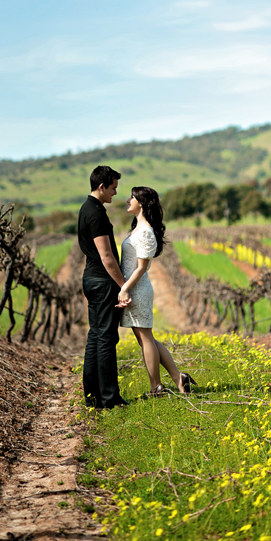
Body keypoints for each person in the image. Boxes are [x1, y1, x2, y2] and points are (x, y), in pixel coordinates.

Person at [116, 186, 197, 397]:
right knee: (146, 338)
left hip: (137, 290)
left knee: (145, 339)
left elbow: (141, 268)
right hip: (134, 289)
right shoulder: (139, 228)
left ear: (142, 203)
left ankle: (156, 387)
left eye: (132, 197)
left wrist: (125, 288)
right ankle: (179, 378)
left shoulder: (145, 231)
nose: (128, 201)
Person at [78, 165, 131, 410]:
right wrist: (123, 286)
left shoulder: (86, 208)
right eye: (113, 188)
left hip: (92, 279)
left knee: (96, 336)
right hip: (103, 282)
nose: (115, 193)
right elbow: (107, 256)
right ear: (101, 186)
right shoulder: (96, 213)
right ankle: (110, 399)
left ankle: (92, 396)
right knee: (107, 338)